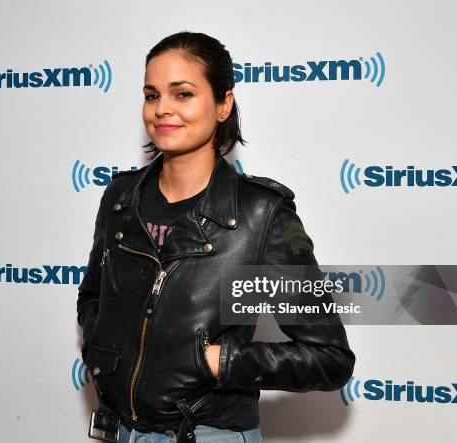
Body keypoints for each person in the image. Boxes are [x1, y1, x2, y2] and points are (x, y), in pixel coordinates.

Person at [77, 31, 355, 443]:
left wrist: (219, 360)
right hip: (117, 429)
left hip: (206, 433)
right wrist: (105, 347)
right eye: (151, 95)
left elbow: (329, 358)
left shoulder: (259, 216)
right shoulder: (121, 198)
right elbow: (93, 298)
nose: (162, 109)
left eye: (183, 94)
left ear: (224, 103)